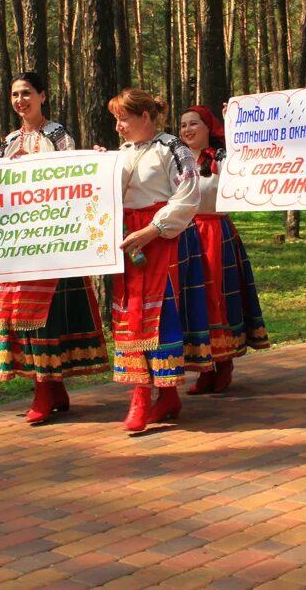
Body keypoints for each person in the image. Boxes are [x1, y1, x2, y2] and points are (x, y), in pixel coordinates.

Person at [0, 72, 109, 424]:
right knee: (17, 313)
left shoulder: (59, 136)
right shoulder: (9, 141)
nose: (20, 100)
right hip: (16, 243)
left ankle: (45, 389)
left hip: (50, 241)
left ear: (42, 96)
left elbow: (72, 179)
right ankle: (53, 389)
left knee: (43, 317)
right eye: (15, 94)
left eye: (26, 93)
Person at [102, 88, 209, 432]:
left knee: (158, 317)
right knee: (132, 314)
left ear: (145, 117)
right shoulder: (121, 153)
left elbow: (188, 195)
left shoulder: (172, 149)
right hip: (131, 241)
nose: (118, 126)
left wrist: (153, 229)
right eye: (116, 119)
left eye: (123, 118)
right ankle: (151, 393)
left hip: (164, 240)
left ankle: (152, 393)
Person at [178, 106, 270, 394]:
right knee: (195, 301)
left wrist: (238, 122)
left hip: (215, 233)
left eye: (194, 124)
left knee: (217, 296)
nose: (187, 130)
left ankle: (225, 362)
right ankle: (204, 367)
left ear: (208, 128)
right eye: (183, 125)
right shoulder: (175, 160)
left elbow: (252, 163)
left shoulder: (222, 159)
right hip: (186, 236)